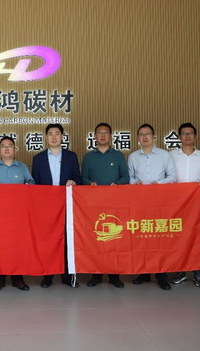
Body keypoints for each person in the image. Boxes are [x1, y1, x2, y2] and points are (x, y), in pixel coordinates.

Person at [31, 123, 82, 288]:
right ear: (46, 137)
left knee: (67, 239)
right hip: (46, 207)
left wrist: (73, 181)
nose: (54, 137)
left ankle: (67, 275)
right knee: (48, 240)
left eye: (57, 133)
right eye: (51, 134)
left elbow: (78, 178)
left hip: (66, 205)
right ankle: (48, 275)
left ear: (62, 137)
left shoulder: (71, 156)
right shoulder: (38, 159)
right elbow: (35, 184)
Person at [128, 123, 177, 290]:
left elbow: (173, 176)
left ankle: (161, 275)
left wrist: (160, 183)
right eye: (141, 134)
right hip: (140, 202)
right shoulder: (133, 156)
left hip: (160, 203)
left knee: (159, 238)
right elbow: (129, 177)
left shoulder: (164, 155)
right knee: (142, 237)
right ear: (138, 138)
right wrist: (135, 182)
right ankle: (144, 273)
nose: (144, 137)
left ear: (154, 136)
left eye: (147, 134)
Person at [81, 122, 130, 289]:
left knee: (115, 240)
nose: (102, 135)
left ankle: (114, 275)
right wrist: (90, 183)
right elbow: (83, 178)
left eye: (105, 132)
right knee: (96, 239)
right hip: (94, 205)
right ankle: (96, 274)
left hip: (114, 204)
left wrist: (117, 184)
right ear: (94, 136)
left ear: (110, 136)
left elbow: (126, 177)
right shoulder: (88, 157)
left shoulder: (118, 156)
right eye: (99, 133)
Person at [0, 136, 34, 292]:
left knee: (18, 245)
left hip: (18, 215)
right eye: (3, 146)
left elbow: (32, 184)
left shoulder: (22, 167)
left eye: (10, 146)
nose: (6, 149)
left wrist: (28, 185)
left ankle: (18, 278)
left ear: (15, 149)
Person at [169, 123, 200, 287]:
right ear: (179, 137)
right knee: (178, 236)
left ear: (195, 136)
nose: (187, 136)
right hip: (177, 204)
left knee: (198, 237)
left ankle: (198, 273)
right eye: (184, 133)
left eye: (191, 133)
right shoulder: (171, 155)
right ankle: (180, 272)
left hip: (197, 201)